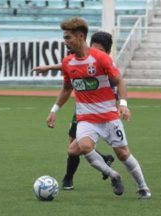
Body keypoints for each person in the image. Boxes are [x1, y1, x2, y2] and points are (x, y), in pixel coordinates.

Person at [48, 16, 150, 199]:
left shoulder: (100, 58)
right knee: (85, 147)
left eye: (68, 38)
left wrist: (124, 105)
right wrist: (54, 110)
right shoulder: (67, 62)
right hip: (86, 119)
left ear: (80, 36)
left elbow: (119, 80)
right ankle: (114, 176)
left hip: (109, 117)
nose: (65, 42)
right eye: (64, 38)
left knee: (122, 153)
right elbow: (66, 88)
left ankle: (143, 188)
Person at [33, 31, 115, 190]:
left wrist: (120, 104)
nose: (96, 53)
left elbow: (116, 86)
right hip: (82, 110)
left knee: (74, 150)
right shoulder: (86, 57)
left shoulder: (106, 64)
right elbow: (68, 65)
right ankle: (103, 159)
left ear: (107, 52)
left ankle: (68, 179)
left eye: (100, 51)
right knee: (73, 144)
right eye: (94, 49)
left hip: (100, 112)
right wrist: (48, 67)